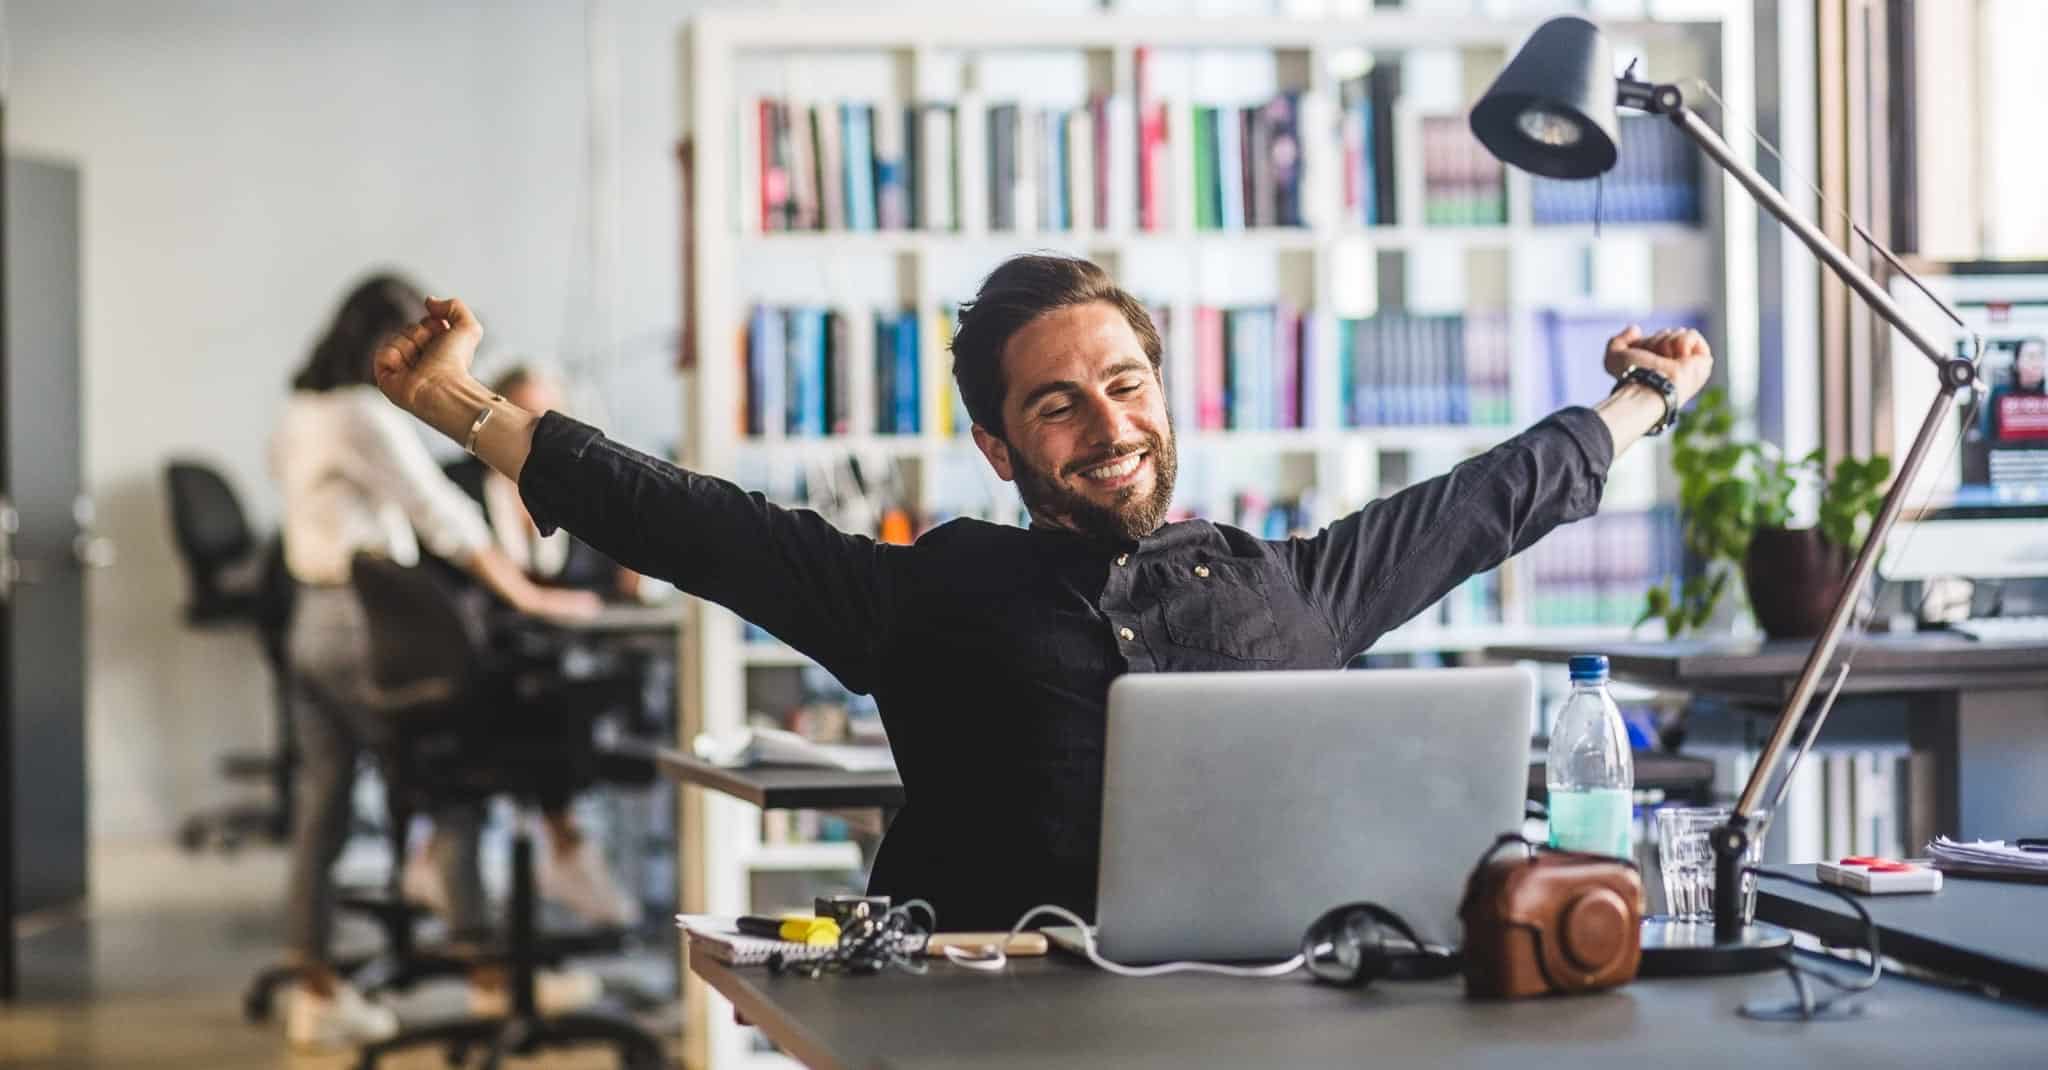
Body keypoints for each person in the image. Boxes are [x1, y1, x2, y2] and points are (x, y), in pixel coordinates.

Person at [372, 254, 1712, 931]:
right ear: (1002, 447)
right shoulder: (927, 591)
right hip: (991, 1013)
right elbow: (691, 525)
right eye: (1060, 403)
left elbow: (1490, 501)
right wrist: (456, 404)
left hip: (1263, 1009)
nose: (1108, 422)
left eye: (1126, 384)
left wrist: (1643, 394)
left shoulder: (1284, 583)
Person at [271, 274, 602, 1049]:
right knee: (454, 782)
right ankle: (493, 976)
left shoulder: (301, 412)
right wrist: (528, 596)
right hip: (363, 623)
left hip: (308, 621)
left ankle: (313, 988)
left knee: (321, 809)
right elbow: (444, 516)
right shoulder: (359, 413)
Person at [436, 363, 643, 927]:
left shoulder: (569, 487)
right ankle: (566, 846)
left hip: (555, 655)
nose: (530, 429)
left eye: (545, 417)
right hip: (483, 664)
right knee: (547, 703)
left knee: (592, 692)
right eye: (518, 412)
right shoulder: (455, 485)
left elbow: (595, 578)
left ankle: (565, 847)